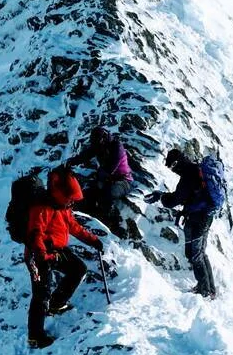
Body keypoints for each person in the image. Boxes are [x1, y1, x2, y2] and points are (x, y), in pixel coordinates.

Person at [25, 167, 104, 348]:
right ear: (60, 193)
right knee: (41, 293)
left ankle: (56, 304)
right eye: (69, 199)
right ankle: (35, 336)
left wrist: (93, 241)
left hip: (55, 251)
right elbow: (35, 234)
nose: (71, 203)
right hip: (37, 255)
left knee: (78, 269)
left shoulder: (63, 207)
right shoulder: (41, 207)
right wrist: (42, 255)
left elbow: (73, 227)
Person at [146, 149, 221, 298]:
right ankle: (209, 288)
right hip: (205, 216)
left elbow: (174, 200)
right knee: (200, 253)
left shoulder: (188, 176)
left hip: (198, 219)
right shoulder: (196, 169)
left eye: (172, 167)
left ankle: (205, 291)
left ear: (176, 164)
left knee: (195, 255)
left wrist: (160, 197)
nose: (173, 170)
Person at [66, 127, 132, 236]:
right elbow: (86, 155)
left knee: (108, 194)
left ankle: (114, 226)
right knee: (86, 195)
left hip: (123, 181)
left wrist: (100, 179)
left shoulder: (116, 146)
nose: (95, 144)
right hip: (106, 179)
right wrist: (71, 162)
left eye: (97, 142)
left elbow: (111, 168)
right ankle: (89, 220)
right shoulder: (99, 146)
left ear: (103, 138)